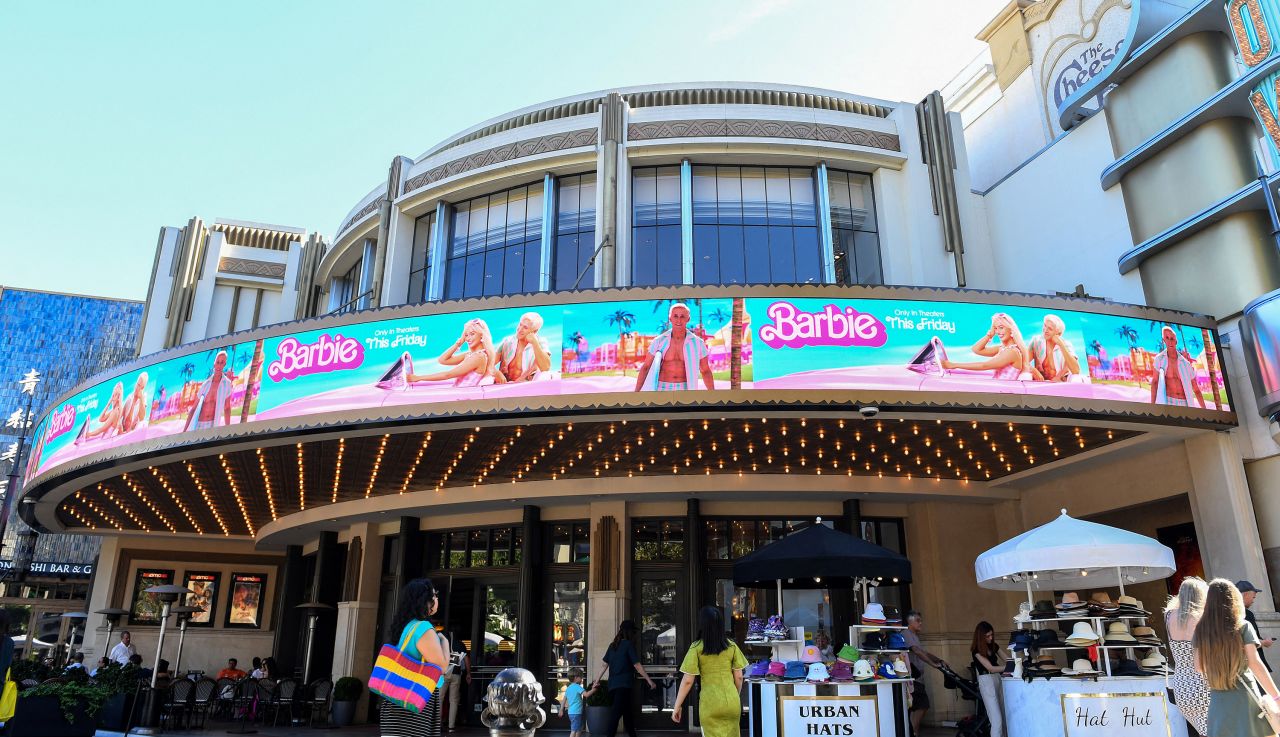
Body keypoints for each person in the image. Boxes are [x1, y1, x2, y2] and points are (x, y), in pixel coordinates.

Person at [1194, 578, 1280, 737]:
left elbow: (1199, 666)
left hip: (1218, 699)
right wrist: (1276, 697)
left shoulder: (1201, 630)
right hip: (1245, 697)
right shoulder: (1242, 625)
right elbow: (1256, 665)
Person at [378, 578, 448, 737]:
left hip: (396, 700)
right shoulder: (423, 628)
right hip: (414, 703)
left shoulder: (405, 625)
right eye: (435, 595)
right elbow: (441, 667)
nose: (437, 599)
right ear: (426, 601)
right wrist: (444, 641)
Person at [671, 606, 747, 737]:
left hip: (710, 704)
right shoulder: (732, 646)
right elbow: (739, 677)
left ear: (703, 625)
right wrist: (735, 695)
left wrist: (677, 706)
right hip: (732, 702)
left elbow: (688, 681)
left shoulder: (696, 648)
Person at [592, 619, 657, 737]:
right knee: (615, 715)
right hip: (624, 686)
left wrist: (596, 681)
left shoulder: (613, 645)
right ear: (630, 632)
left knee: (627, 714)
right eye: (634, 632)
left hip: (613, 686)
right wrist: (649, 680)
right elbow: (637, 665)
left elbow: (604, 665)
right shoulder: (628, 645)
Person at [1166, 576, 1211, 736]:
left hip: (1181, 685)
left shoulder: (1169, 616)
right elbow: (1200, 665)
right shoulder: (1198, 619)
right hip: (1201, 685)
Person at [635, 303, 714, 391]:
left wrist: (713, 394)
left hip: (686, 389)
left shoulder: (698, 343)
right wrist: (636, 393)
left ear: (688, 319)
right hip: (662, 388)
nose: (679, 320)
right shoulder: (659, 341)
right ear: (670, 318)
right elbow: (646, 367)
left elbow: (705, 370)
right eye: (675, 316)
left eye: (682, 316)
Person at [407, 320, 495, 388]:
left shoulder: (478, 357)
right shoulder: (470, 354)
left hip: (463, 398)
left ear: (482, 335)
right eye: (466, 335)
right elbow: (442, 360)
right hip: (457, 393)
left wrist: (418, 378)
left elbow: (447, 375)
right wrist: (458, 343)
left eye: (472, 334)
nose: (468, 338)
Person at [940, 313, 1030, 380]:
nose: (998, 332)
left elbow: (984, 366)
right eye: (995, 328)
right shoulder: (1003, 348)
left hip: (1003, 394)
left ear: (1011, 330)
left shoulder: (1012, 352)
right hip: (998, 389)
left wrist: (953, 365)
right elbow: (976, 349)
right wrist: (989, 335)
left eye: (1001, 327)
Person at [903, 610, 948, 737]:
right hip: (912, 678)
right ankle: (913, 731)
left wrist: (939, 660)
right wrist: (932, 664)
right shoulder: (906, 633)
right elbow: (916, 651)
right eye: (918, 620)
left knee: (918, 707)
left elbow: (925, 653)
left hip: (918, 678)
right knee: (922, 705)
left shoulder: (915, 636)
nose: (921, 623)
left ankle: (913, 731)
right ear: (909, 622)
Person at [1150, 326, 1206, 408]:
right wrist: (1152, 406)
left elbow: (1196, 389)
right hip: (1168, 401)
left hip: (1185, 403)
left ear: (1176, 341)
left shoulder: (1186, 364)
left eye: (1172, 338)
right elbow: (1155, 382)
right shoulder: (1159, 359)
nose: (1170, 341)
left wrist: (1205, 410)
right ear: (1163, 340)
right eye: (1167, 338)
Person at [493, 312, 552, 383]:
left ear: (535, 331)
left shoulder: (541, 342)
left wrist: (535, 343)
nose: (520, 329)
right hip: (501, 387)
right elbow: (489, 363)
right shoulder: (507, 341)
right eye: (520, 324)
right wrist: (497, 373)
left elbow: (545, 368)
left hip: (524, 388)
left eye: (525, 327)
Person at [970, 621, 1005, 737]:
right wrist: (1010, 667)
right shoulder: (976, 650)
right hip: (986, 681)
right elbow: (990, 668)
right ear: (981, 637)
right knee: (996, 720)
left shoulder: (993, 646)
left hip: (997, 678)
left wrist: (1018, 662)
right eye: (987, 636)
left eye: (991, 635)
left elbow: (1008, 659)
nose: (991, 638)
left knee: (1004, 717)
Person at [183, 350, 234, 430]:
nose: (219, 365)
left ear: (225, 364)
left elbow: (227, 408)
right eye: (217, 362)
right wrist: (184, 431)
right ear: (214, 363)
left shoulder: (227, 384)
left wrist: (228, 429)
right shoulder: (205, 384)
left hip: (213, 426)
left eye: (222, 362)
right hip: (198, 424)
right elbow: (193, 409)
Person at [1028, 315, 1081, 382]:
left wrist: (1061, 345)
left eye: (1050, 329)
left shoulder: (1066, 344)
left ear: (1058, 333)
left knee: (1076, 378)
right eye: (1045, 325)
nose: (1045, 330)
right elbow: (1023, 361)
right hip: (1039, 383)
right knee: (1027, 374)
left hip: (1059, 384)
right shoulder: (1036, 341)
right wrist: (1033, 370)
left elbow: (1076, 371)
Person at [1239, 580, 1274, 672]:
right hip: (1250, 666)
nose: (1253, 601)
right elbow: (1246, 641)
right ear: (1245, 594)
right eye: (1253, 597)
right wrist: (1264, 642)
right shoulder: (1244, 614)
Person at [438, 632, 471, 732]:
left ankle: (438, 724)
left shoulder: (442, 643)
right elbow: (466, 660)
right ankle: (451, 725)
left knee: (440, 698)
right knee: (454, 700)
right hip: (456, 674)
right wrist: (468, 674)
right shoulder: (461, 644)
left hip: (443, 674)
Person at [563, 669, 596, 737]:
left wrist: (561, 709)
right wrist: (593, 690)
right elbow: (586, 694)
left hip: (571, 712)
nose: (582, 679)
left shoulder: (569, 688)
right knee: (574, 730)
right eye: (581, 677)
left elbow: (564, 699)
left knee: (579, 727)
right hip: (576, 712)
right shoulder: (577, 687)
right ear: (576, 678)